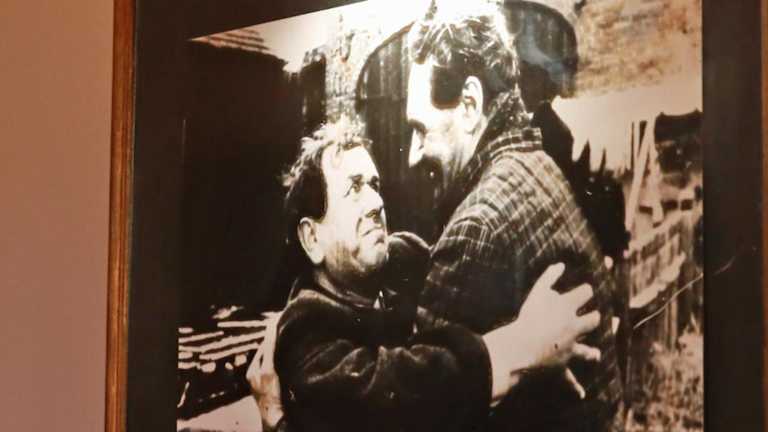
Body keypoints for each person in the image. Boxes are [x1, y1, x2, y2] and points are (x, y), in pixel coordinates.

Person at [254, 118, 603, 432]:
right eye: (354, 188)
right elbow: (406, 393)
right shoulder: (305, 335)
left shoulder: (402, 258)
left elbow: (476, 297)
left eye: (375, 185)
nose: (376, 203)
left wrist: (546, 352)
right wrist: (524, 349)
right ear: (312, 238)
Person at [404, 2, 623, 430]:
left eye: (419, 128)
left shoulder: (477, 226)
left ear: (470, 104)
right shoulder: (536, 164)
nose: (413, 154)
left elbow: (419, 414)